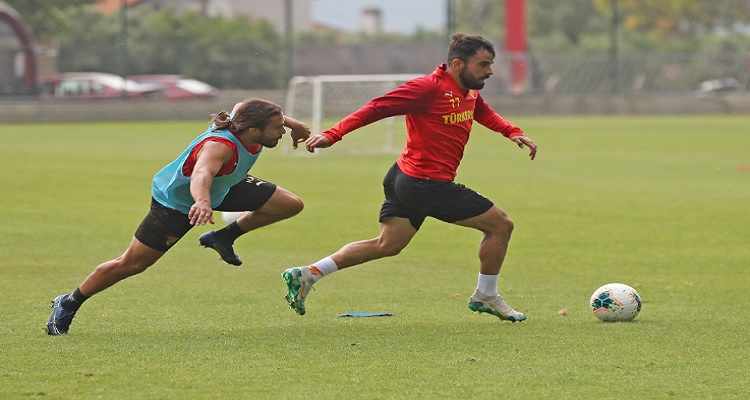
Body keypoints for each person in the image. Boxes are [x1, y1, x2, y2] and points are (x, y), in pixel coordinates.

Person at [282, 33, 538, 322]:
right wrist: (333, 134)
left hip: (404, 177)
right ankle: (486, 296)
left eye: (490, 64)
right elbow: (377, 108)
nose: (490, 71)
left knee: (387, 245)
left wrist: (511, 131)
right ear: (457, 64)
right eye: (483, 65)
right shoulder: (427, 88)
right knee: (500, 226)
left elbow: (481, 111)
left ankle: (308, 274)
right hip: (425, 184)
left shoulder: (469, 90)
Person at [46, 98, 310, 335]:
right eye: (278, 128)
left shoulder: (244, 117)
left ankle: (223, 237)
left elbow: (245, 105)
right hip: (178, 202)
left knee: (289, 205)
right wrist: (203, 201)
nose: (283, 132)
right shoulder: (219, 147)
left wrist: (293, 123)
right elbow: (201, 174)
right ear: (254, 131)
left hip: (225, 186)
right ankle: (68, 303)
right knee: (132, 264)